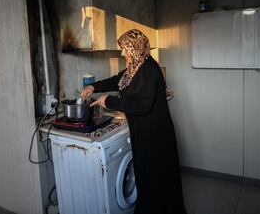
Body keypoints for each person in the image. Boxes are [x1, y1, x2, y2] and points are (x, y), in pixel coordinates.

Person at [80, 29, 187, 214]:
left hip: (155, 135)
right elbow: (117, 80)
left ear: (136, 48)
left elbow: (142, 107)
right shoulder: (136, 67)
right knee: (147, 177)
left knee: (157, 179)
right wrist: (93, 86)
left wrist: (109, 101)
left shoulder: (149, 70)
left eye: (125, 48)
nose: (122, 53)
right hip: (144, 131)